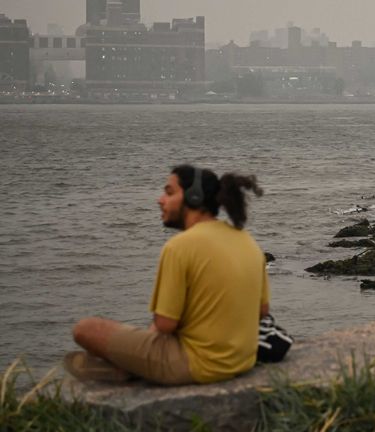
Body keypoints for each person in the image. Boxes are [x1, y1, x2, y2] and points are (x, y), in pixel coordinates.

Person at [66, 165, 269, 385]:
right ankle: (130, 367)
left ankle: (128, 370)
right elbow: (262, 311)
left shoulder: (179, 247)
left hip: (196, 365)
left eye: (169, 192)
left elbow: (164, 325)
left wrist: (138, 348)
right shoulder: (247, 241)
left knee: (85, 328)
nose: (160, 200)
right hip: (242, 361)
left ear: (193, 197)